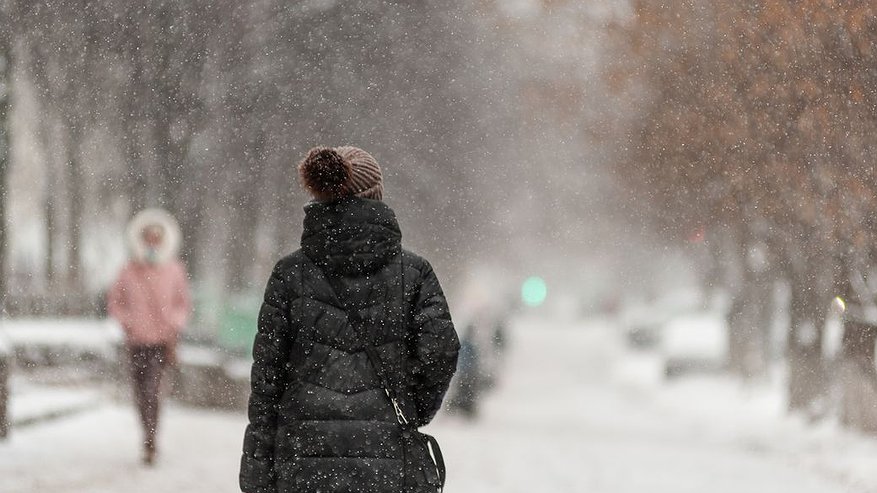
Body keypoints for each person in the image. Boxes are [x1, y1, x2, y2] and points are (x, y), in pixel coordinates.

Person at [240, 146, 460, 493]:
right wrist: (409, 408)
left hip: (303, 460)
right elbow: (442, 351)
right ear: (377, 196)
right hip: (385, 461)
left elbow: (267, 381)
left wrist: (256, 472)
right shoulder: (414, 273)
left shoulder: (289, 274)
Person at [107, 208, 192, 465]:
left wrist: (173, 324)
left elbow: (183, 303)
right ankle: (146, 431)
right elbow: (115, 301)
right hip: (136, 341)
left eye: (157, 237)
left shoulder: (175, 270)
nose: (152, 242)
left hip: (161, 342)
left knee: (153, 390)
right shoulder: (128, 270)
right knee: (139, 391)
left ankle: (151, 439)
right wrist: (128, 323)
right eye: (149, 237)